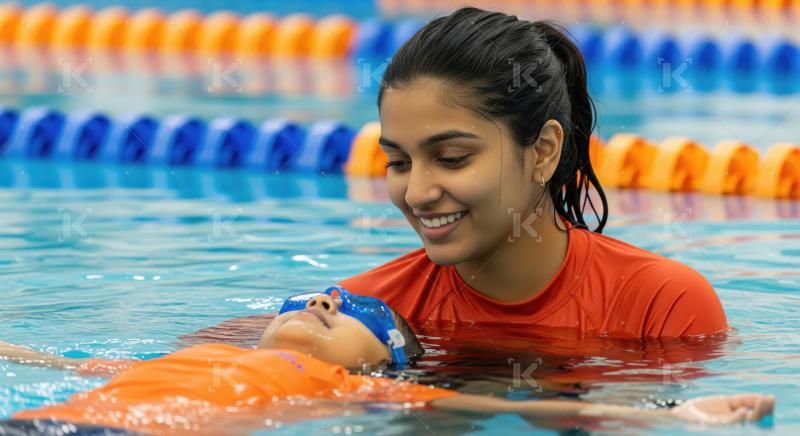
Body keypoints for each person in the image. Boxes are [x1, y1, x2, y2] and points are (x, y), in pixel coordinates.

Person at [336, 6, 728, 338]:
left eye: (452, 158)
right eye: (399, 163)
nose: (417, 193)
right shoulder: (361, 315)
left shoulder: (661, 308)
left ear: (543, 151)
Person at [0, 288, 773, 435]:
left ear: (384, 362)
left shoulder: (349, 388)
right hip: (39, 420)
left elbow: (508, 408)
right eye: (309, 301)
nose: (326, 303)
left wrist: (681, 413)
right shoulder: (165, 360)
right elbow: (39, 358)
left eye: (354, 313)